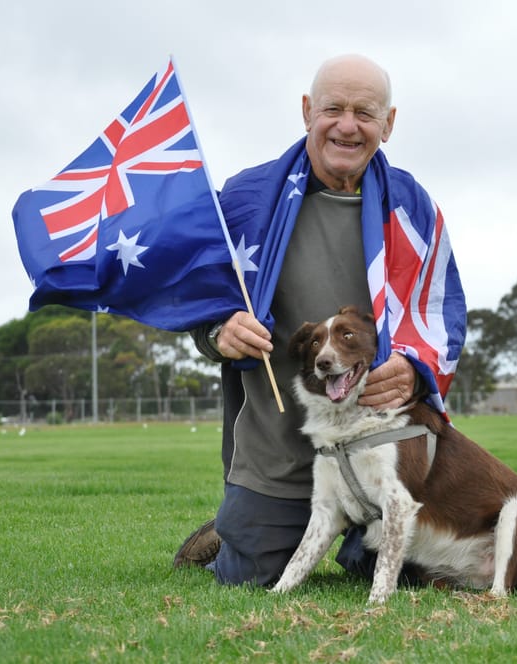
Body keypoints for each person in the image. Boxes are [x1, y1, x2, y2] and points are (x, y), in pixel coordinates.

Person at [173, 54, 466, 587]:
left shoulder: (413, 210)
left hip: (381, 444)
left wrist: (416, 369)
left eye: (365, 112)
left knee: (417, 570)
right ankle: (234, 531)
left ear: (389, 123)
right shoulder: (244, 201)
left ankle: (357, 541)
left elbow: (438, 314)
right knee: (250, 579)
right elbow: (201, 306)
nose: (348, 125)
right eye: (333, 108)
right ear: (308, 111)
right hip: (278, 447)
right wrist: (219, 334)